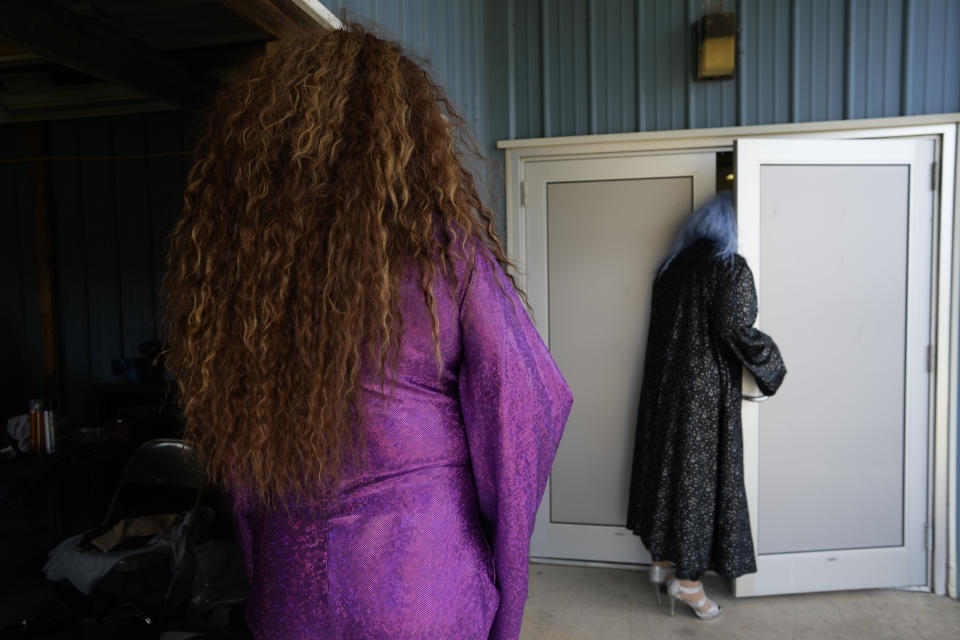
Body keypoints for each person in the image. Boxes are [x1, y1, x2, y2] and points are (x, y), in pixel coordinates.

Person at [162, 25, 572, 640]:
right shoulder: (439, 249)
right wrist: (499, 567)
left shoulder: (246, 279)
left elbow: (242, 473)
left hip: (287, 589)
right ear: (402, 135)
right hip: (420, 580)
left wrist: (269, 560)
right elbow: (528, 406)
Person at [625, 191, 786, 619]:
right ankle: (689, 582)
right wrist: (773, 366)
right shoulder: (729, 267)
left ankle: (661, 563)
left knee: (667, 470)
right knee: (698, 484)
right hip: (702, 394)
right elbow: (735, 325)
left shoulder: (670, 267)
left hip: (663, 386)